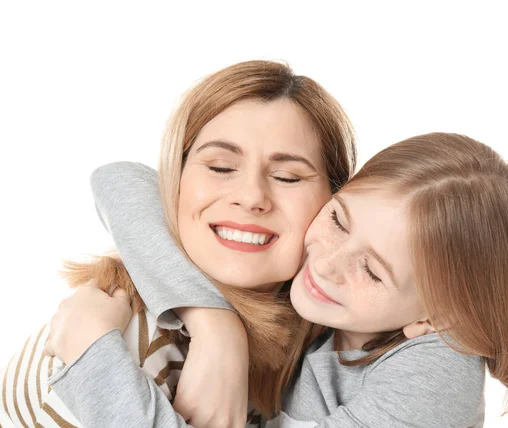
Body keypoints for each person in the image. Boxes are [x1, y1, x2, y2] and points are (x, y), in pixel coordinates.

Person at [48, 133, 508, 427]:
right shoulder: (328, 298)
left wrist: (91, 349)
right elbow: (122, 179)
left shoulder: (436, 378)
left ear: (439, 315)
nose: (326, 263)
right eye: (337, 219)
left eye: (371, 269)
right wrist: (216, 326)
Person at [0, 59, 356, 428]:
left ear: (336, 201)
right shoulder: (116, 336)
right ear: (176, 180)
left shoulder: (326, 333)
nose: (251, 196)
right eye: (220, 167)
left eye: (287, 177)